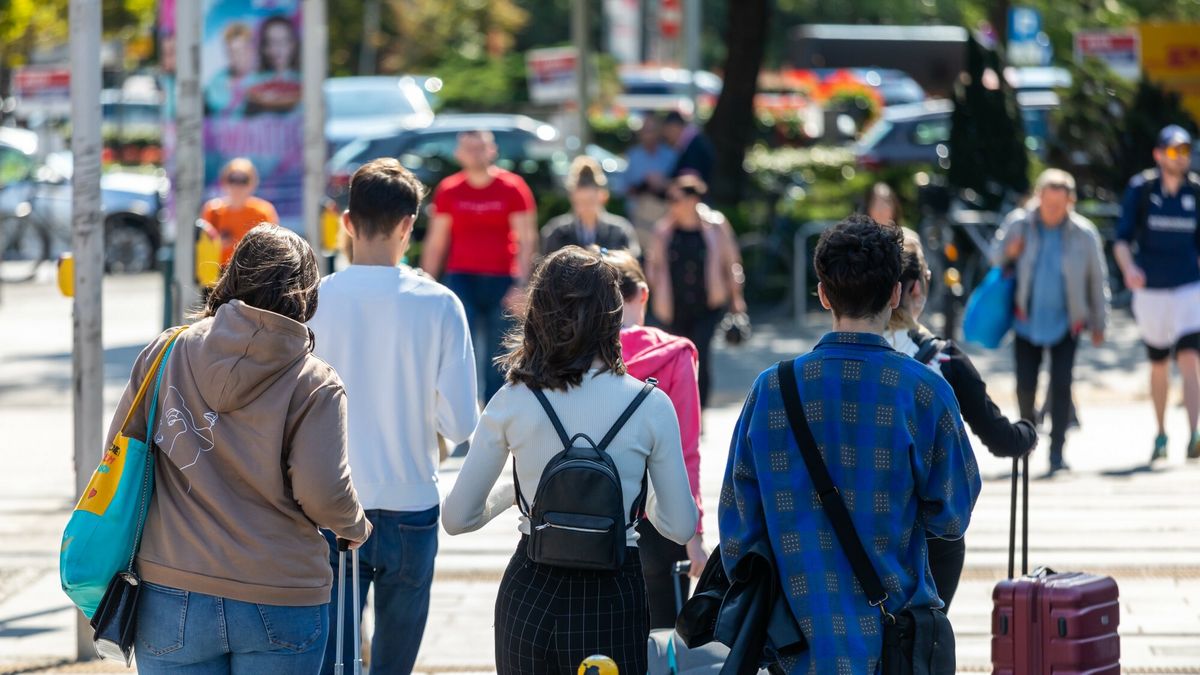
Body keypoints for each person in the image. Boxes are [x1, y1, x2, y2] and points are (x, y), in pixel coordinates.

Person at [720, 215, 980, 673]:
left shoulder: (770, 390)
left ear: (823, 294)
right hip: (892, 644)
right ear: (896, 294)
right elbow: (953, 516)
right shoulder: (923, 392)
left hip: (796, 647)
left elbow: (739, 533)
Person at [121, 225, 371, 673]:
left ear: (232, 277)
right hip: (280, 592)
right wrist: (354, 524)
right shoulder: (314, 382)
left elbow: (122, 458)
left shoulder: (165, 353)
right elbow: (322, 492)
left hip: (170, 587)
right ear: (306, 297)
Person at [442, 247, 698, 675]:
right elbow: (680, 526)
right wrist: (641, 492)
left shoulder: (512, 400)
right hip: (614, 594)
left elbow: (457, 518)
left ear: (537, 313)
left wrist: (513, 494)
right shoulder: (651, 406)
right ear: (613, 315)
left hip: (531, 589)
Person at [307, 159, 479, 674]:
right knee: (394, 663)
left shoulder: (314, 300)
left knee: (334, 660)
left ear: (346, 221)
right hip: (411, 501)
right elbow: (462, 425)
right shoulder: (441, 304)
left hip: (331, 502)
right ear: (409, 225)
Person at [885, 227, 1038, 612]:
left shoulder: (834, 363)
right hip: (931, 535)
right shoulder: (944, 362)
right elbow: (1002, 439)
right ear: (918, 288)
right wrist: (1027, 433)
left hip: (851, 528)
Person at [601, 248, 706, 629]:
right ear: (642, 294)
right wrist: (694, 533)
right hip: (658, 514)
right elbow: (685, 450)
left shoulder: (579, 354)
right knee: (663, 642)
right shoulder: (675, 354)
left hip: (594, 514)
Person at [997, 169, 1109, 474]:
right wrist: (1010, 251)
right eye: (1048, 205)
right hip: (1026, 320)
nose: (1053, 211)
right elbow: (994, 258)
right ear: (1038, 198)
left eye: (1060, 206)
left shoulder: (1084, 234)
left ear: (1070, 202)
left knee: (1061, 386)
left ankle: (1057, 452)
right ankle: (1027, 441)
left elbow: (1097, 279)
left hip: (1066, 322)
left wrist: (1099, 321)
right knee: (1024, 386)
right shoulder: (1019, 224)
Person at [420, 130, 538, 403]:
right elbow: (436, 241)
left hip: (502, 279)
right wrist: (427, 283)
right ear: (459, 154)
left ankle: (496, 413)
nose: (475, 154)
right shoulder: (449, 189)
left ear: (492, 151)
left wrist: (522, 285)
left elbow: (527, 239)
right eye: (469, 148)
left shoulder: (513, 187)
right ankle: (462, 412)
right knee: (462, 347)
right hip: (461, 278)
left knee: (499, 352)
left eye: (481, 148)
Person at [1113, 124, 1200, 462]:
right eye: (1175, 150)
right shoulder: (1143, 189)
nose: (1182, 157)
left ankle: (1194, 433)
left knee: (1191, 359)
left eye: (1186, 150)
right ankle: (1161, 433)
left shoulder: (1195, 191)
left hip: (1188, 287)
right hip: (1150, 289)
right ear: (1159, 154)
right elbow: (1122, 240)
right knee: (1159, 363)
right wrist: (1129, 269)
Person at [645, 175, 746, 407]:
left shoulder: (716, 225)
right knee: (677, 360)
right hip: (674, 307)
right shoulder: (664, 230)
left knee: (700, 355)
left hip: (707, 305)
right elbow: (654, 266)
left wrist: (736, 298)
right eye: (669, 199)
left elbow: (731, 263)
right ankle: (681, 410)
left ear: (693, 200)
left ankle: (700, 412)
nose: (671, 204)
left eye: (675, 199)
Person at [541, 156, 640, 257]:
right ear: (572, 198)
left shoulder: (620, 231)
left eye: (590, 201)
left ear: (603, 196)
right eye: (580, 202)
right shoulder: (557, 232)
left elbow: (630, 266)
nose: (585, 207)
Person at [201, 158, 280, 265]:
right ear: (224, 182)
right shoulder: (212, 210)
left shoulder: (263, 211)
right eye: (232, 179)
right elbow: (203, 249)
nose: (237, 186)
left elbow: (271, 248)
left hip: (252, 272)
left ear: (252, 184)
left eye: (243, 180)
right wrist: (218, 244)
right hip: (218, 274)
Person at [624, 116, 678, 249]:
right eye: (645, 131)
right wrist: (644, 185)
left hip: (665, 218)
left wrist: (662, 184)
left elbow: (677, 185)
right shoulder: (633, 156)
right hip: (639, 219)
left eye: (652, 130)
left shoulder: (671, 155)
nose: (648, 134)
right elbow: (624, 188)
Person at [245, 15, 302, 116]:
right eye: (271, 43)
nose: (277, 50)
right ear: (264, 48)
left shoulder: (303, 79)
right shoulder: (252, 82)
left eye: (283, 42)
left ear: (292, 44)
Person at [204, 23, 256, 116]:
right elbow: (215, 103)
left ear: (251, 50)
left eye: (242, 51)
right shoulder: (218, 80)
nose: (237, 58)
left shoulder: (262, 78)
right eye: (232, 53)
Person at [662, 111, 714, 183]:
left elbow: (691, 177)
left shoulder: (695, 146)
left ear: (674, 127)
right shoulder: (692, 143)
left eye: (668, 132)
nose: (667, 137)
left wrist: (666, 182)